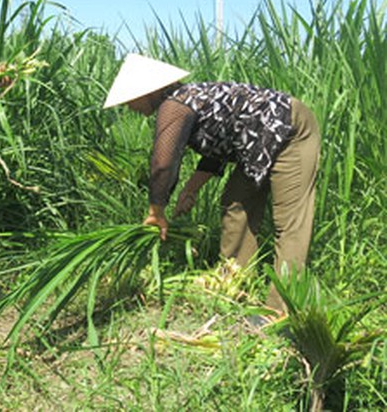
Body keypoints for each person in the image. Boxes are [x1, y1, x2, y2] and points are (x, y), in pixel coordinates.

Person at [103, 53, 321, 315]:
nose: (128, 106)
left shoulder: (174, 106)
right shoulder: (188, 101)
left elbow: (163, 164)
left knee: (289, 225)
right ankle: (235, 282)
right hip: (257, 144)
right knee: (235, 203)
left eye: (130, 98)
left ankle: (281, 312)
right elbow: (217, 148)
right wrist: (190, 189)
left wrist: (155, 211)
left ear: (150, 91)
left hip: (290, 130)